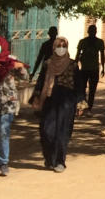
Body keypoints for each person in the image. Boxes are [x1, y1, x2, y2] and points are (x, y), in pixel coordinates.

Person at [35, 36, 85, 171]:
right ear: (54, 48)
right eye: (58, 46)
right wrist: (37, 96)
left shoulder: (73, 65)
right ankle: (49, 158)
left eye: (63, 46)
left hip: (67, 101)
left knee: (63, 132)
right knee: (46, 131)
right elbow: (41, 81)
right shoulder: (48, 63)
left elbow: (79, 85)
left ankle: (60, 161)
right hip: (50, 100)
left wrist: (80, 103)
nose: (61, 49)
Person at [0, 35, 27, 177]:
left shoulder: (10, 59)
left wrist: (19, 68)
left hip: (9, 102)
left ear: (2, 45)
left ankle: (4, 163)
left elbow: (25, 77)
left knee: (4, 130)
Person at [76, 24, 105, 112]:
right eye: (91, 31)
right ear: (88, 32)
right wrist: (75, 65)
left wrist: (103, 67)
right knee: (82, 88)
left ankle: (89, 106)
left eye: (94, 31)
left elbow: (102, 55)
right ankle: (84, 104)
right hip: (84, 68)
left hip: (94, 68)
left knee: (92, 89)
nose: (92, 32)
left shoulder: (100, 42)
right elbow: (77, 54)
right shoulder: (82, 42)